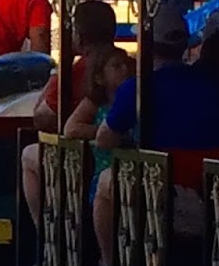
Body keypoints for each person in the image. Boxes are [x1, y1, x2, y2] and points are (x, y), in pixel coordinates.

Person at [93, 3, 219, 266]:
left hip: (163, 187)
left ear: (147, 45)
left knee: (105, 183)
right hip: (218, 188)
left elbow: (104, 139)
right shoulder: (217, 83)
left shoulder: (138, 86)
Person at [20, 42, 134, 229]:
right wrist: (105, 132)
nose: (124, 70)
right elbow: (71, 128)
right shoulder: (95, 102)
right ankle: (42, 228)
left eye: (126, 65)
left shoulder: (135, 97)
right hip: (102, 170)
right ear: (99, 77)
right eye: (116, 66)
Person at [33, 0, 118, 131]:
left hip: (91, 146)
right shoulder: (129, 62)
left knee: (28, 151)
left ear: (78, 36)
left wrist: (58, 71)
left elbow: (43, 118)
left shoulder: (82, 68)